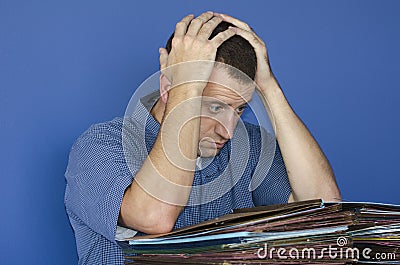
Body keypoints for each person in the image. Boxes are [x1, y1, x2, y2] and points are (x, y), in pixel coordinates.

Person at [64, 12, 341, 264]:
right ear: (167, 88)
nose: (228, 131)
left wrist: (269, 89)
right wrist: (186, 87)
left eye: (240, 108)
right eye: (215, 107)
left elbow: (326, 213)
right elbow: (155, 217)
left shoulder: (250, 146)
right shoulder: (100, 145)